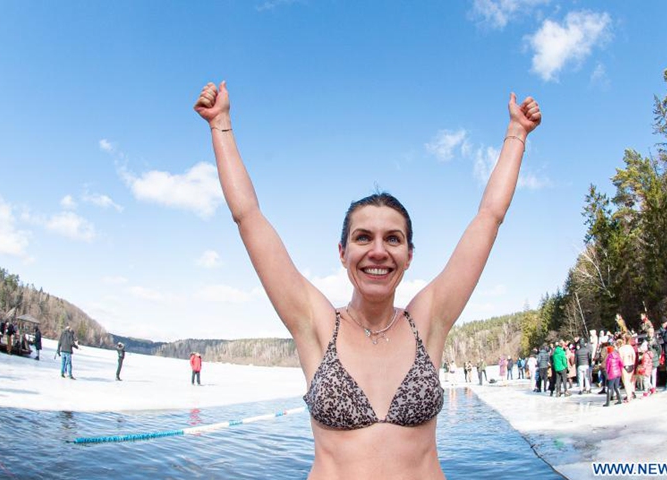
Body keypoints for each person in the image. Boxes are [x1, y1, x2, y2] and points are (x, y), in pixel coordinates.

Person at [194, 80, 540, 478]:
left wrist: (516, 134)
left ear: (409, 256)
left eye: (393, 239)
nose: (378, 251)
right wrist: (220, 125)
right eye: (363, 238)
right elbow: (248, 216)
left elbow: (488, 218)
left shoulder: (427, 322)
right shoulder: (317, 324)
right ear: (343, 253)